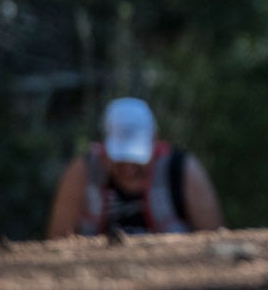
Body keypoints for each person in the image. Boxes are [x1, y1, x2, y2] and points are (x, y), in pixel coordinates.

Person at [45, 96, 224, 238]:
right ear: (104, 147)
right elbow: (58, 240)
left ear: (155, 141)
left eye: (137, 159)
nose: (129, 168)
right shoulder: (83, 173)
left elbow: (214, 237)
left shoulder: (182, 171)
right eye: (120, 159)